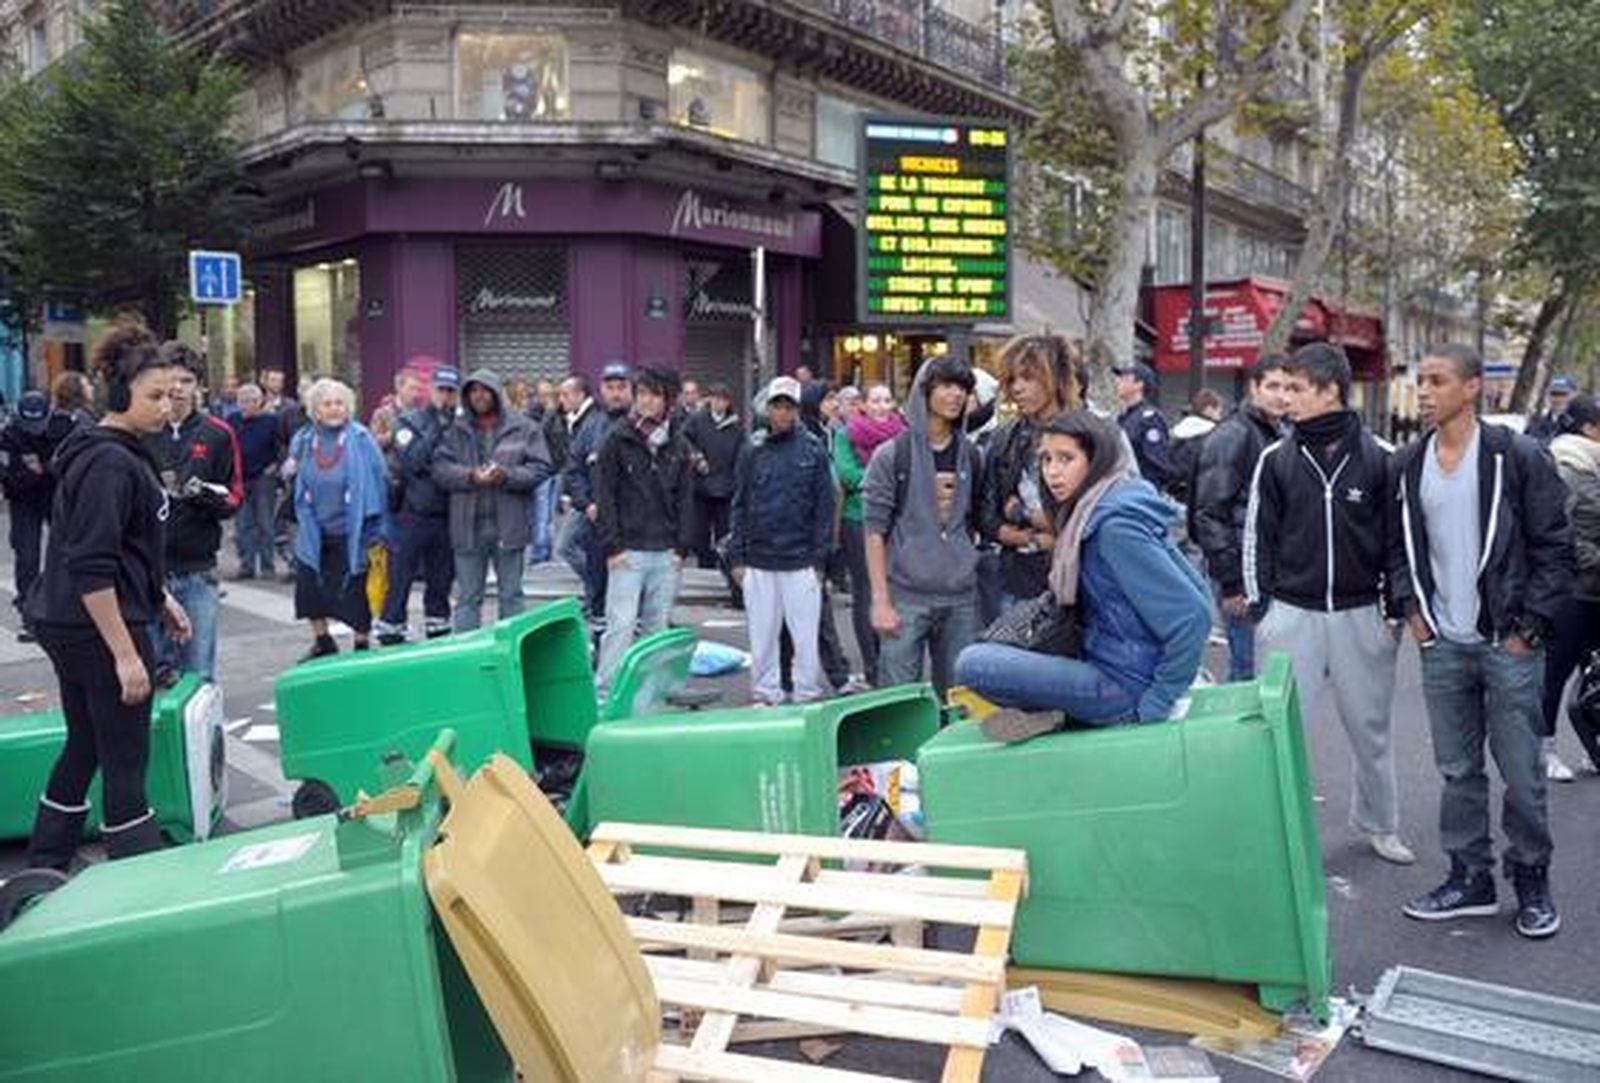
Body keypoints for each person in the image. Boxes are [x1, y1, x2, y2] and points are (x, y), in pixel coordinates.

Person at [1392, 343, 1570, 938]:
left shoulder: (1514, 456)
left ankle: (1531, 880)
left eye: (1437, 380)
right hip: (1442, 641)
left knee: (1521, 771)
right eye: (1421, 381)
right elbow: (1400, 547)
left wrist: (1529, 629)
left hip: (1507, 640)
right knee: (1457, 769)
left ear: (1472, 388)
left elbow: (1554, 548)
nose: (1423, 391)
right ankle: (1470, 877)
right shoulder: (1410, 461)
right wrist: (1412, 610)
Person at [21, 324, 191, 868]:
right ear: (120, 395)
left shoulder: (109, 450)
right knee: (125, 759)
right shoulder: (111, 461)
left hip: (74, 620)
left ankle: (47, 862)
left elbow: (120, 548)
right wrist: (124, 654)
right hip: (97, 626)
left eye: (173, 394)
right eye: (154, 396)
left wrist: (160, 597)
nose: (168, 406)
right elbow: (91, 563)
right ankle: (135, 874)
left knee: (86, 743)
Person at [1244, 343, 1412, 865]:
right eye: (1282, 388)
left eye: (1296, 388)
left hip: (1362, 612)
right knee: (1279, 728)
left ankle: (1380, 824)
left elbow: (1398, 541)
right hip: (1291, 614)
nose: (1285, 398)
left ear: (1331, 391)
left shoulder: (1382, 458)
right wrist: (1260, 607)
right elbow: (1257, 535)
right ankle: (1273, 829)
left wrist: (1393, 610)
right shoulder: (1276, 459)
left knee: (1371, 729)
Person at [956, 411, 1211, 739]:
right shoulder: (1107, 506)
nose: (1052, 472)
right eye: (1046, 460)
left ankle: (1072, 714)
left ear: (1096, 461)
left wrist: (1154, 705)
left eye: (1066, 459)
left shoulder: (1114, 527)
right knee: (994, 648)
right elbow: (1196, 586)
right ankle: (1061, 714)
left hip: (1125, 685)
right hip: (1107, 661)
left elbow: (1193, 615)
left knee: (972, 664)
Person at [863, 357, 982, 699]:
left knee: (962, 704)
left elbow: (975, 522)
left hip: (961, 598)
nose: (955, 395)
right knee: (898, 704)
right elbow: (873, 532)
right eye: (946, 386)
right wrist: (880, 601)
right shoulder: (892, 455)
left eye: (962, 388)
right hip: (905, 597)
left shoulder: (973, 455)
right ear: (925, 391)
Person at [727, 376, 836, 705]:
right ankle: (765, 694)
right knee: (762, 639)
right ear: (768, 408)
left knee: (805, 639)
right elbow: (740, 504)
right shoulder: (752, 449)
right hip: (758, 559)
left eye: (789, 406)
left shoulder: (814, 451)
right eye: (778, 405)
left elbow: (824, 509)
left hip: (802, 560)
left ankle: (805, 694)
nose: (783, 412)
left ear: (798, 410)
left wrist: (820, 561)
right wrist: (736, 558)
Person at [145, 342, 241, 685]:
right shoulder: (140, 432)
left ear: (198, 385)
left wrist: (203, 496)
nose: (177, 389)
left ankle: (200, 741)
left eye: (186, 380)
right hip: (147, 573)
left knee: (198, 675)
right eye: (170, 380)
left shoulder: (217, 433)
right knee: (153, 676)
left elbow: (234, 498)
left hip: (197, 571)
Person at [593, 365, 695, 687]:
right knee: (620, 625)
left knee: (656, 627)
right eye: (641, 394)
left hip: (666, 551)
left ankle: (651, 695)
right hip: (628, 551)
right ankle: (605, 692)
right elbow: (605, 496)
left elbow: (687, 498)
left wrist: (681, 547)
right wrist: (613, 546)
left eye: (654, 394)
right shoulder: (617, 439)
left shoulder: (678, 443)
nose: (646, 401)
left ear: (668, 399)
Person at [1191, 356, 1291, 681]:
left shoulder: (1279, 433)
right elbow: (1210, 512)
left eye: (1288, 387)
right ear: (1253, 388)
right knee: (1247, 673)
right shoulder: (1234, 434)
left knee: (1269, 672)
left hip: (1270, 573)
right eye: (1273, 386)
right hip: (1242, 577)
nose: (1281, 395)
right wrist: (1232, 583)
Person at [433, 369, 552, 632]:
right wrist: (470, 476)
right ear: (467, 396)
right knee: (467, 598)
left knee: (511, 595)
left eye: (485, 390)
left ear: (497, 393)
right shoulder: (455, 429)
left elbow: (541, 468)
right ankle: (467, 657)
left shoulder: (524, 427)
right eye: (473, 391)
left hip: (509, 525)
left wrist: (506, 476)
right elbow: (440, 469)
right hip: (467, 526)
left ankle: (512, 654)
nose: (479, 396)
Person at [286, 378, 389, 659]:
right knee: (310, 584)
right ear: (315, 410)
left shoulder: (361, 438)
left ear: (349, 407)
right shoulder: (305, 439)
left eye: (339, 403)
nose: (334, 409)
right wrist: (289, 470)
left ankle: (361, 643)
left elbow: (381, 479)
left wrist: (378, 527)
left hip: (354, 528)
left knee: (355, 588)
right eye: (327, 403)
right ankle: (323, 640)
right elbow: (291, 471)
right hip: (314, 526)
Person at [979, 335, 1081, 613]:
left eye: (1028, 378)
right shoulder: (1004, 437)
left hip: (1081, 582)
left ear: (1056, 377)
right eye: (1012, 380)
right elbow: (987, 515)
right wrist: (1028, 538)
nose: (1017, 388)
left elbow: (1091, 518)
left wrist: (1022, 515)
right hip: (1017, 582)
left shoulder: (1093, 433)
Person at [374, 367, 460, 645]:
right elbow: (414, 461)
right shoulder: (408, 422)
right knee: (400, 577)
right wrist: (436, 425)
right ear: (431, 390)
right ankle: (391, 631)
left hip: (447, 514)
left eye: (450, 391)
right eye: (441, 390)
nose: (445, 396)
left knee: (440, 580)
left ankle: (438, 632)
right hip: (413, 513)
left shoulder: (461, 424)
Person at [1543, 393, 1600, 776]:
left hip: (1594, 588)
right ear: (1589, 429)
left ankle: (1591, 743)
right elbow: (1560, 529)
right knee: (1557, 668)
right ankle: (1544, 748)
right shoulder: (1568, 465)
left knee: (1594, 672)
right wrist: (1593, 561)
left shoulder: (1594, 466)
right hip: (1574, 589)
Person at [1, 390, 78, 637]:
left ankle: (69, 607)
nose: (34, 431)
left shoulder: (64, 426)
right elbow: (8, 477)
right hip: (23, 500)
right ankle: (29, 616)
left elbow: (73, 463)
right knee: (27, 556)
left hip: (57, 498)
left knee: (69, 550)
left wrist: (40, 467)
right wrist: (38, 471)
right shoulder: (9, 435)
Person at [565, 363, 633, 622]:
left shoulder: (642, 426)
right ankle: (600, 645)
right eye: (610, 387)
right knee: (599, 595)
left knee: (633, 596)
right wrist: (587, 504)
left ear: (631, 390)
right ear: (601, 391)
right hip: (598, 526)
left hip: (635, 530)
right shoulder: (590, 426)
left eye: (621, 387)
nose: (616, 394)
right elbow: (573, 470)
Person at [832, 386, 879, 684]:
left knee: (889, 594)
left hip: (893, 521)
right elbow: (847, 474)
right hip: (856, 518)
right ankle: (872, 664)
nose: (881, 405)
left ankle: (889, 660)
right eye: (875, 400)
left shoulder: (900, 432)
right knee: (865, 591)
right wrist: (885, 480)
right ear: (863, 405)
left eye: (887, 399)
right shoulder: (845, 435)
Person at [683, 381, 744, 568]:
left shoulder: (736, 425)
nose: (719, 403)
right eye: (716, 398)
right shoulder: (697, 419)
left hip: (726, 488)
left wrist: (737, 480)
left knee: (724, 534)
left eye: (723, 399)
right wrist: (695, 455)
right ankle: (704, 565)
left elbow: (742, 454)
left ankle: (724, 568)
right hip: (701, 486)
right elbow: (683, 438)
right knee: (700, 533)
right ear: (709, 399)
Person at [231, 383, 283, 581]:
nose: (246, 405)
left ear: (259, 402)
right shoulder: (232, 420)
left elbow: (281, 446)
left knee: (265, 523)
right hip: (240, 478)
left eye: (251, 401)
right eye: (243, 401)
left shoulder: (271, 421)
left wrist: (274, 467)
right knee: (243, 524)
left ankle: (268, 567)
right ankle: (247, 565)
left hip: (263, 478)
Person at [1113, 362, 1175, 490]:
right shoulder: (1122, 418)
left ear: (1139, 384)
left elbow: (1158, 463)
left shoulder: (1149, 419)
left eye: (1124, 378)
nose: (1118, 382)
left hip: (1140, 493)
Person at [1167, 388, 1224, 506]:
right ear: (1209, 409)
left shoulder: (1175, 432)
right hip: (1201, 496)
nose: (1220, 416)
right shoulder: (1214, 435)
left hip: (1174, 494)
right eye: (1218, 411)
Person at [849, 384, 907, 472]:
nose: (883, 407)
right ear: (863, 405)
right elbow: (849, 473)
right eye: (875, 401)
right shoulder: (848, 432)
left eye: (887, 401)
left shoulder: (903, 433)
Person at [369, 366, 426, 452]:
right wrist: (393, 435)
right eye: (411, 388)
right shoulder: (382, 413)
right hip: (391, 463)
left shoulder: (421, 414)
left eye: (418, 390)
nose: (415, 394)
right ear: (399, 387)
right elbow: (372, 444)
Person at [1525, 375, 1575, 445]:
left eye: (1563, 394)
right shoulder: (1536, 422)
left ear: (1573, 395)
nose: (1558, 399)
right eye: (1554, 394)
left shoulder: (1577, 425)